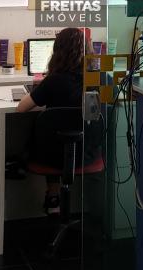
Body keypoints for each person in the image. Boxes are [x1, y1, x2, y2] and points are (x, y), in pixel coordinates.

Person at [15, 27, 93, 215]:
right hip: (88, 152)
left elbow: (21, 108)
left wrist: (40, 90)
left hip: (51, 155)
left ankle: (53, 197)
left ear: (58, 51)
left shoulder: (53, 81)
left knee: (52, 140)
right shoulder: (98, 79)